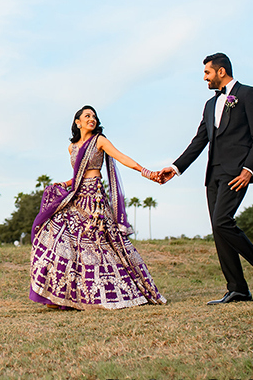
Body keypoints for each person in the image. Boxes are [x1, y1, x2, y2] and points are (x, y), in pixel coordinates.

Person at [158, 53, 253, 304]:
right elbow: (200, 140)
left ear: (221, 71)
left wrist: (249, 170)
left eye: (207, 73)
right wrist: (175, 168)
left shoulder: (248, 94)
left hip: (237, 173)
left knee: (223, 221)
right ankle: (237, 288)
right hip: (213, 174)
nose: (205, 78)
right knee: (218, 228)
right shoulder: (210, 105)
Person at [29, 106, 166, 310]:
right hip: (77, 195)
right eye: (87, 116)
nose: (91, 119)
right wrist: (64, 184)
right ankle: (64, 296)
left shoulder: (99, 140)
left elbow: (122, 158)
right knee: (66, 241)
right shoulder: (72, 147)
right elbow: (78, 176)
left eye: (94, 116)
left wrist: (147, 172)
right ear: (78, 122)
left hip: (95, 201)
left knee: (101, 244)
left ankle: (119, 291)